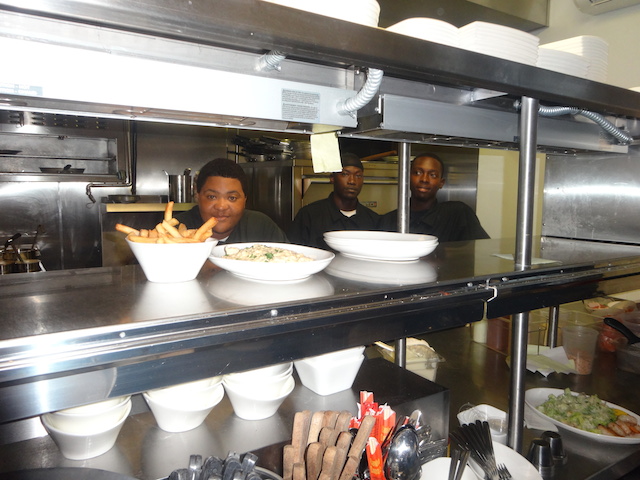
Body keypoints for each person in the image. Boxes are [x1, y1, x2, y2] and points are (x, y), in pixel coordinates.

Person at [380, 153, 489, 242]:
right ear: (407, 178)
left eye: (432, 175)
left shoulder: (457, 214)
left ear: (441, 183)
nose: (424, 179)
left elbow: (482, 251)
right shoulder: (388, 220)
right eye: (418, 173)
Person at [176, 158, 288, 244]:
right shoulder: (173, 231)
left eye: (232, 198)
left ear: (245, 200)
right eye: (212, 197)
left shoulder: (261, 227)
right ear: (197, 196)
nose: (221, 207)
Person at [288, 152, 380, 250]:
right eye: (345, 174)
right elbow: (293, 254)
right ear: (332, 178)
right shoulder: (309, 215)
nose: (352, 181)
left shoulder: (373, 220)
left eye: (358, 176)